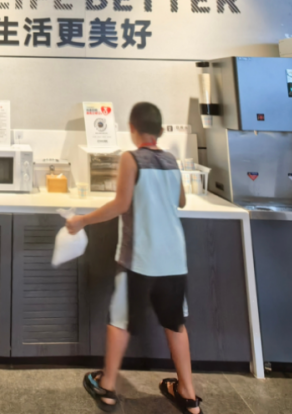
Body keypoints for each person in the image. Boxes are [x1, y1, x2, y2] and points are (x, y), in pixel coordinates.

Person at [65, 102, 201, 414]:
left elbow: (120, 205)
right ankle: (188, 395)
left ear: (131, 129)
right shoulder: (171, 160)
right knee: (175, 324)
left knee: (120, 320)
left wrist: (81, 221)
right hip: (174, 259)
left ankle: (108, 387)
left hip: (139, 258)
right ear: (161, 130)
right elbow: (180, 200)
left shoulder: (131, 158)